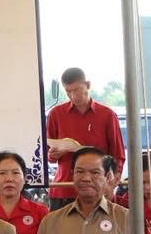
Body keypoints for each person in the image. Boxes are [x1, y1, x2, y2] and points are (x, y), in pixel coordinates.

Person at [45, 67, 125, 209]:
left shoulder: (106, 115)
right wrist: (52, 154)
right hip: (64, 188)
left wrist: (112, 182)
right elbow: (47, 155)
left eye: (77, 90)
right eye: (68, 91)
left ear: (87, 85)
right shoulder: (56, 114)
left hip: (97, 188)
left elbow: (117, 155)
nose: (73, 96)